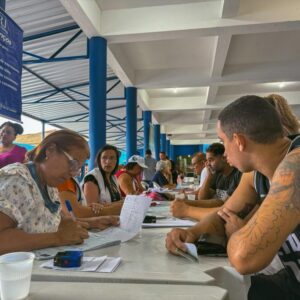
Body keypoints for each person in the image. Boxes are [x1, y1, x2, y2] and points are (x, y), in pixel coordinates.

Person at [165, 95, 300, 299]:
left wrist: (241, 231)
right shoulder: (255, 173)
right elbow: (225, 214)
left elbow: (244, 258)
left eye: (223, 141)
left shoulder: (295, 165)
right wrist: (192, 232)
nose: (225, 152)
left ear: (238, 141)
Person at [0, 130, 119, 254]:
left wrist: (91, 223)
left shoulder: (48, 185)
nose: (73, 173)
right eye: (73, 164)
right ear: (50, 150)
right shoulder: (16, 180)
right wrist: (58, 238)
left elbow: (50, 222)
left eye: (77, 169)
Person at [171, 143, 242, 220]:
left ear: (223, 158)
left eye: (211, 160)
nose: (208, 164)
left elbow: (221, 203)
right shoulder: (217, 174)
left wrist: (187, 203)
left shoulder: (237, 175)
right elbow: (202, 197)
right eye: (207, 161)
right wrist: (209, 177)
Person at [81, 145, 123, 215]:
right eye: (104, 157)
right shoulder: (92, 178)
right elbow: (91, 209)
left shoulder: (113, 177)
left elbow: (119, 200)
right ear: (99, 160)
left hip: (114, 218)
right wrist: (118, 205)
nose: (108, 162)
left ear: (117, 161)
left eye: (112, 158)